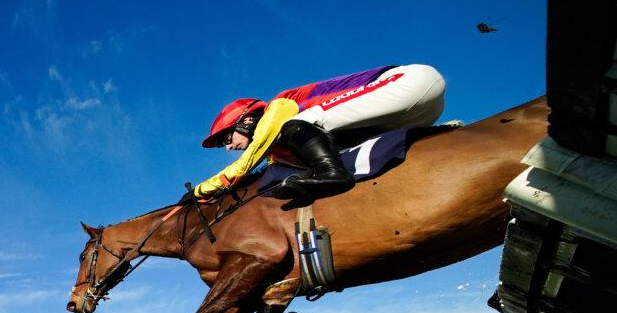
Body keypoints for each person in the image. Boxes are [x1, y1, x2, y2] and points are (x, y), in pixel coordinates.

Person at [182, 64, 446, 206]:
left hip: (409, 82)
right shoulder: (284, 147)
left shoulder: (279, 107)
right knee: (338, 151)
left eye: (227, 139)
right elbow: (269, 171)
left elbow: (247, 163)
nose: (228, 147)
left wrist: (200, 190)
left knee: (298, 123)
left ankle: (333, 175)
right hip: (414, 115)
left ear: (247, 120)